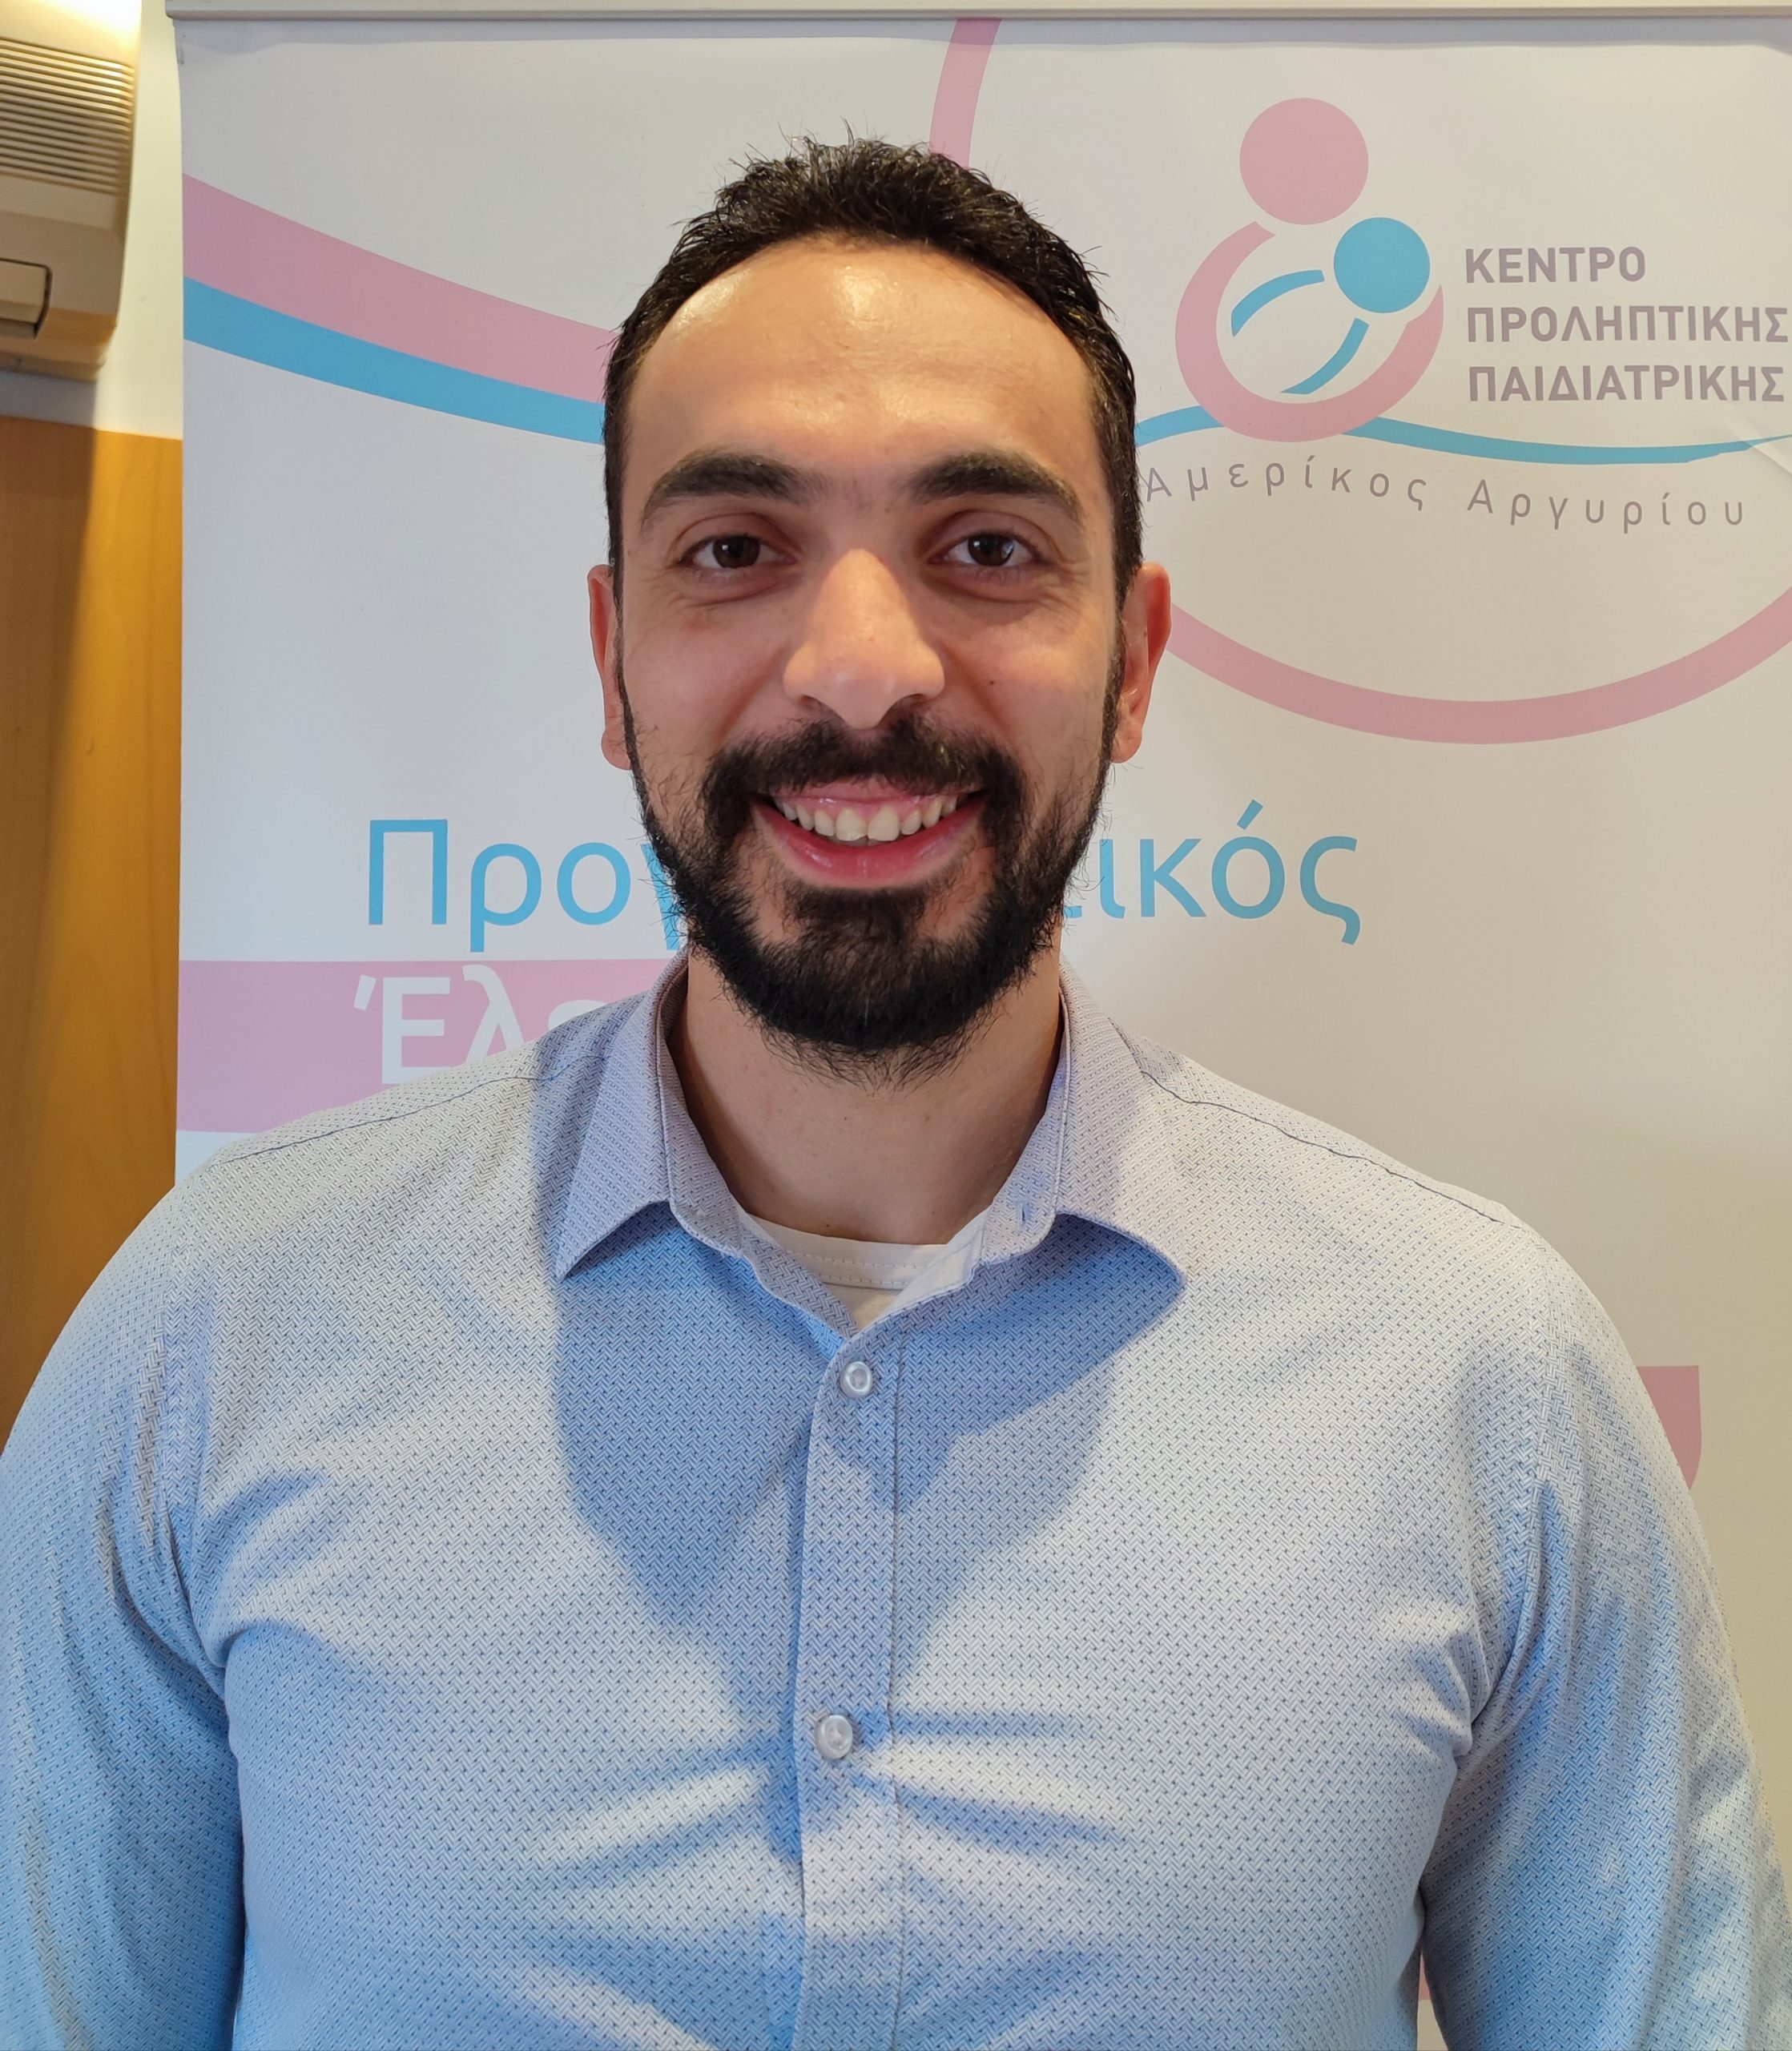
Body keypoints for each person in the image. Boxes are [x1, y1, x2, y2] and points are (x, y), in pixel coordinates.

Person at [2, 135, 1788, 2051]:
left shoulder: (1479, 1381)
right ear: (615, 659)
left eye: (988, 549)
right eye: (735, 549)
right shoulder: (216, 1341)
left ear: (1133, 662)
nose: (861, 670)